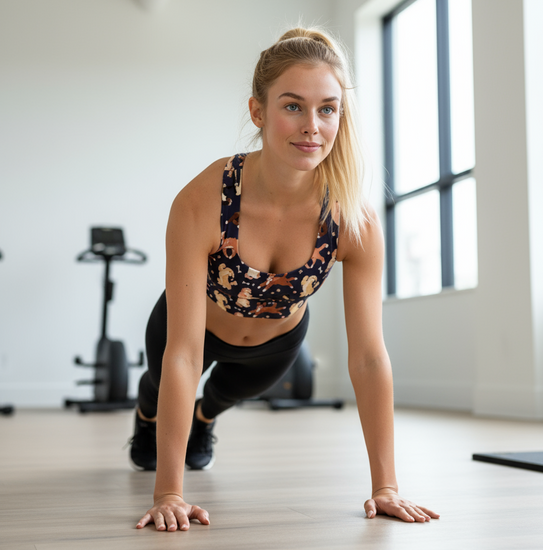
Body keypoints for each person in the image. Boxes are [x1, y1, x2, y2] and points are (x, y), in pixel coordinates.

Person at [131, 26, 440, 532]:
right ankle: (147, 421)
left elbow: (367, 355)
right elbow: (184, 352)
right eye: (293, 106)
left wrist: (386, 486)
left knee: (220, 399)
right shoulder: (202, 200)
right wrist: (169, 492)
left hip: (275, 345)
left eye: (327, 108)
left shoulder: (351, 220)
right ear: (258, 111)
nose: (312, 127)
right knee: (162, 383)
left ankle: (203, 422)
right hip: (190, 329)